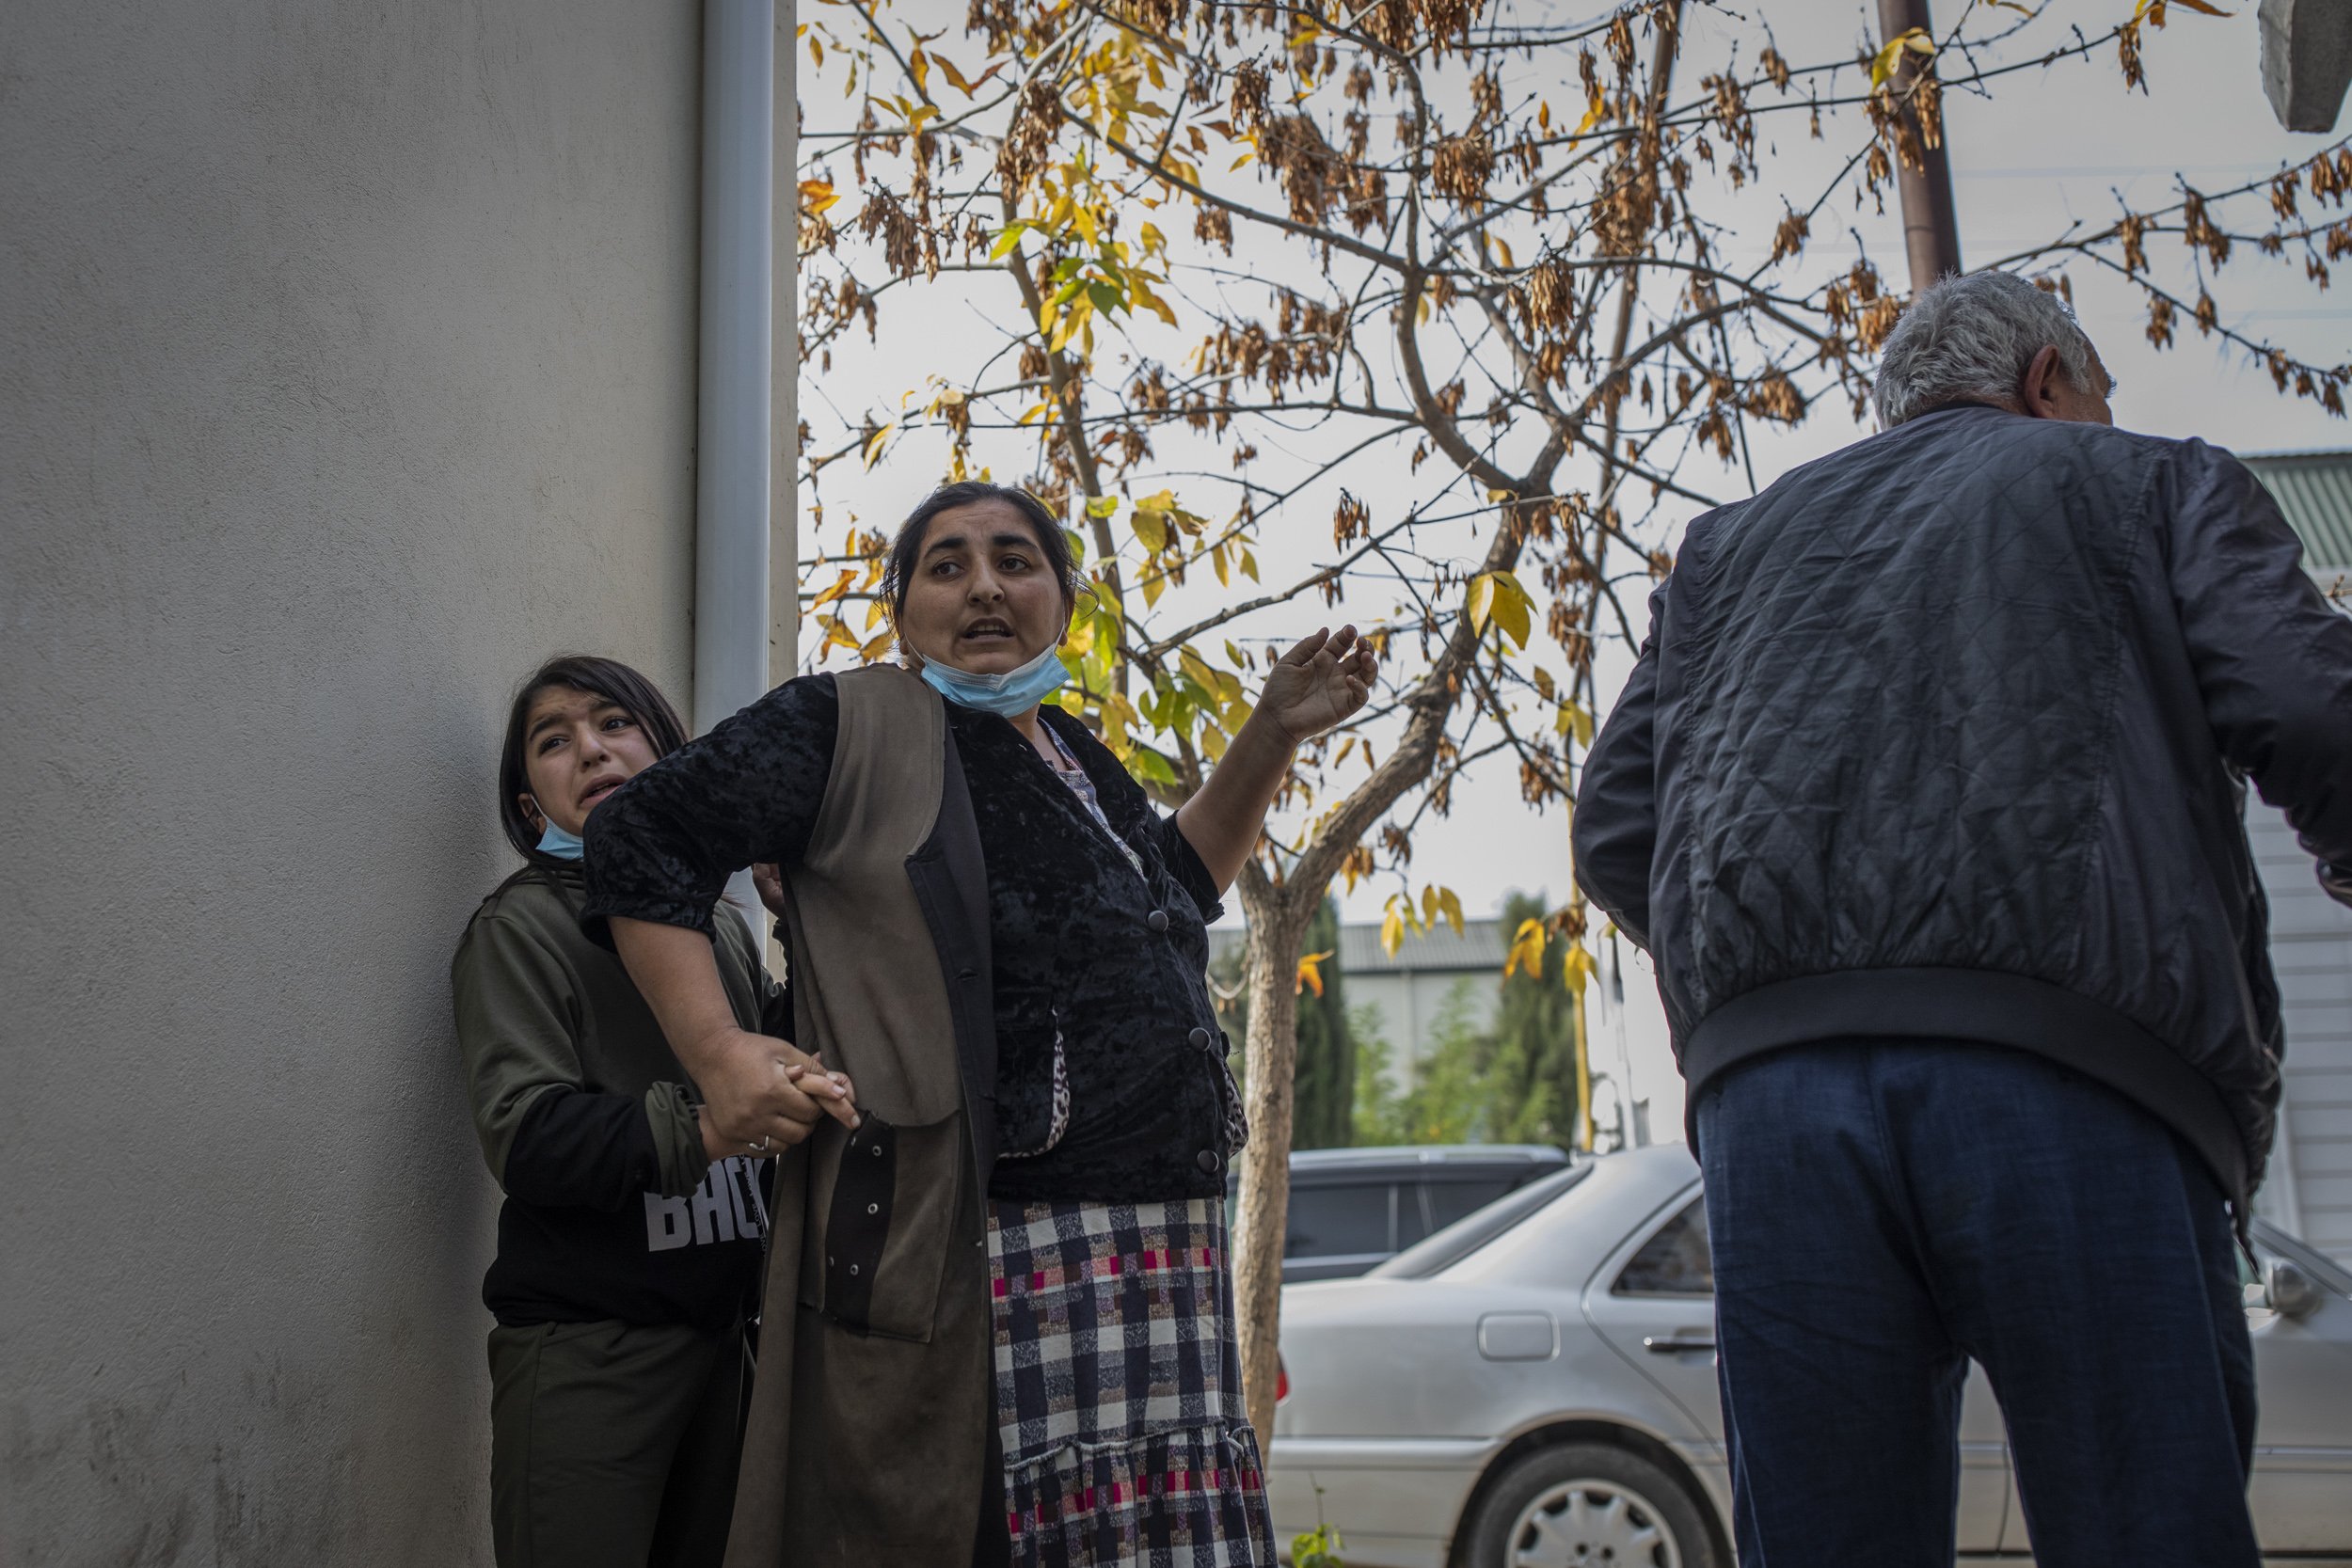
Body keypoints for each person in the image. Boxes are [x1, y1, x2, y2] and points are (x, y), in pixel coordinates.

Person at [1573, 269, 2352, 1568]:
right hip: (2071, 1068)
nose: (2109, 415)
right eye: (2101, 392)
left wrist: (1780, 949)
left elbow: (1613, 826)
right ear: (2051, 379)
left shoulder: (1727, 550)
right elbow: (2312, 704)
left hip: (1777, 1110)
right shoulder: (2152, 483)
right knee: (2143, 1527)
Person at [578, 480, 1375, 1567]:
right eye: (946, 565)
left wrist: (1271, 731)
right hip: (998, 1248)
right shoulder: (845, 726)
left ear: (1064, 598)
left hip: (1163, 1242)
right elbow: (644, 838)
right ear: (901, 610)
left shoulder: (1076, 754)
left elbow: (1176, 887)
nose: (985, 584)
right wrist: (720, 1052)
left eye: (1015, 558)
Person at [453, 655, 850, 1568]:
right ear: (528, 808)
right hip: (589, 1353)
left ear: (672, 756)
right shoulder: (518, 927)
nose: (588, 748)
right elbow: (527, 1135)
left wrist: (801, 925)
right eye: (553, 741)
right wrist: (711, 1122)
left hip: (725, 1345)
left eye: (612, 723)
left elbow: (779, 1055)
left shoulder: (717, 926)